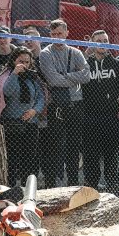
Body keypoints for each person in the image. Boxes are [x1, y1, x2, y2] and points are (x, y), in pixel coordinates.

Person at [38, 18, 90, 186]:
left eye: (60, 33)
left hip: (76, 104)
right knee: (54, 146)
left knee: (74, 147)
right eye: (53, 34)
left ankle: (73, 184)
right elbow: (53, 80)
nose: (57, 37)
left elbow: (87, 76)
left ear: (67, 33)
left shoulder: (76, 53)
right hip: (56, 106)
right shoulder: (45, 53)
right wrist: (74, 77)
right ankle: (51, 185)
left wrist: (65, 76)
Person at [82, 30, 119, 191]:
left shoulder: (118, 64)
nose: (102, 43)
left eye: (105, 40)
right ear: (92, 43)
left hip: (111, 117)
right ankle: (92, 184)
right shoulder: (85, 64)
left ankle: (112, 183)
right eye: (99, 40)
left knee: (112, 153)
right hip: (90, 117)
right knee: (91, 153)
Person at [0, 47, 47, 187]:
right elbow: (7, 92)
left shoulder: (33, 77)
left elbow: (41, 97)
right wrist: (15, 73)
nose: (24, 64)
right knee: (12, 159)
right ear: (14, 61)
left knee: (29, 158)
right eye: (21, 61)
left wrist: (34, 111)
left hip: (31, 122)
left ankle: (27, 188)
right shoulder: (7, 75)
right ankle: (10, 188)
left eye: (27, 62)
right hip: (12, 124)